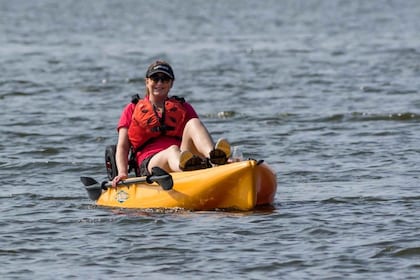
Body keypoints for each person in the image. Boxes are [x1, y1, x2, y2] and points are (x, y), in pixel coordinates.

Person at [112, 60, 231, 187]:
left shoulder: (183, 107)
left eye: (165, 79)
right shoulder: (132, 108)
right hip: (150, 163)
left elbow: (197, 137)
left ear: (171, 84)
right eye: (155, 78)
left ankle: (216, 159)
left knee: (194, 123)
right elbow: (123, 147)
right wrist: (122, 173)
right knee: (172, 151)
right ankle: (189, 170)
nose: (159, 83)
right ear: (147, 82)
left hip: (184, 156)